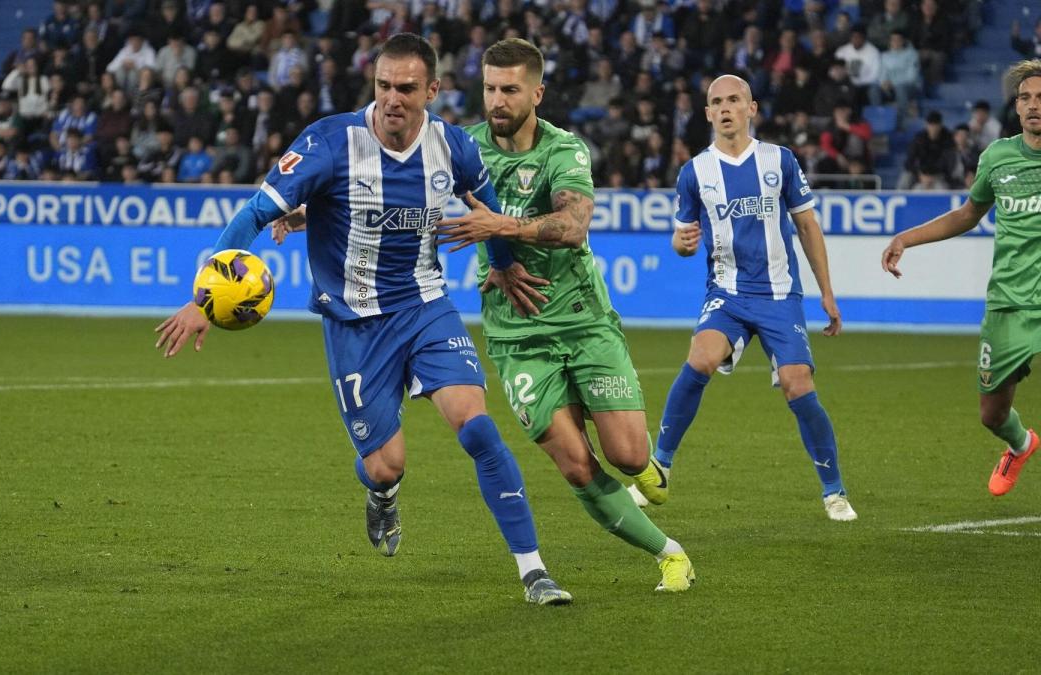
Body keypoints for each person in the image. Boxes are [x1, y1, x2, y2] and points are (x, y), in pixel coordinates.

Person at [154, 33, 573, 606]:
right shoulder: (329, 142)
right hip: (354, 323)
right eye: (383, 86)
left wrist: (502, 265)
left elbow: (489, 211)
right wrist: (203, 300)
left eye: (406, 88)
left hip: (425, 308)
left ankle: (534, 571)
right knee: (385, 465)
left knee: (476, 427)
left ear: (432, 90)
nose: (393, 99)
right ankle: (381, 494)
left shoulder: (452, 147)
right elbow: (254, 214)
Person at [428, 38, 695, 592]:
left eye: (510, 90)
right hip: (515, 332)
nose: (496, 101)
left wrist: (502, 228)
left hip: (582, 321)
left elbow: (572, 227)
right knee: (575, 464)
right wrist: (311, 215)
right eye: (489, 89)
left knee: (627, 454)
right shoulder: (461, 147)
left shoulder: (563, 151)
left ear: (537, 93)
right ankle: (670, 555)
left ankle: (646, 467)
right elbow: (393, 194)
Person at [657, 74, 857, 522]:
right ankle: (660, 466)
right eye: (717, 102)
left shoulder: (779, 161)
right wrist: (681, 244)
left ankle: (834, 490)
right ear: (707, 114)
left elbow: (807, 226)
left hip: (780, 294)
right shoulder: (694, 172)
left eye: (734, 99)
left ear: (752, 108)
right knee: (701, 356)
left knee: (797, 383)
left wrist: (827, 293)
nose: (726, 108)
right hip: (726, 293)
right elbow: (681, 235)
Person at [881, 60, 1041, 496]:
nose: (1033, 105)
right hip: (1009, 302)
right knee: (992, 414)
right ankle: (1021, 445)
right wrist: (906, 239)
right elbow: (968, 214)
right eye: (1026, 97)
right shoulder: (998, 158)